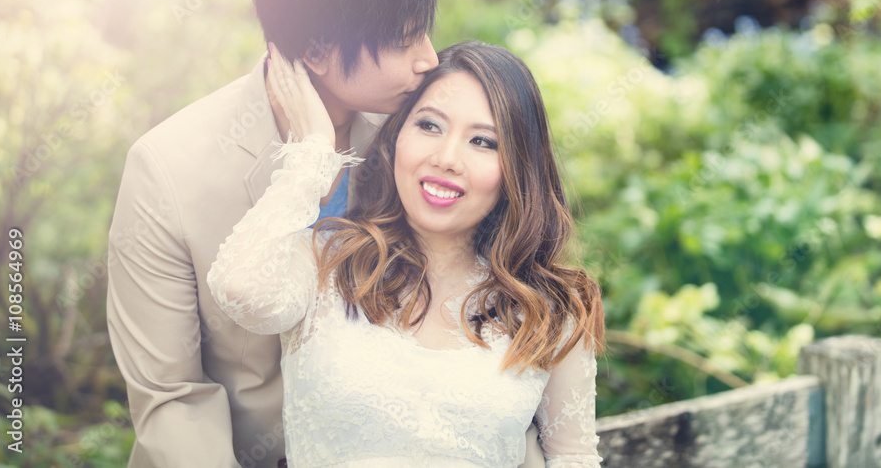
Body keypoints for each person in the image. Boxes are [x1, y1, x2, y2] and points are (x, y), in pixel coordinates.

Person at [106, 0, 440, 468]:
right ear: (316, 52)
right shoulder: (166, 170)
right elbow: (172, 398)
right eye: (403, 40)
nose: (429, 61)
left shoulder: (415, 136)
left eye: (425, 33)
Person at [208, 40, 606, 467]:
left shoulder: (551, 309)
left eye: (482, 141)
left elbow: (573, 458)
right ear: (397, 135)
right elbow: (239, 290)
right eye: (430, 126)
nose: (447, 158)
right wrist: (315, 152)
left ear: (517, 167)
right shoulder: (326, 262)